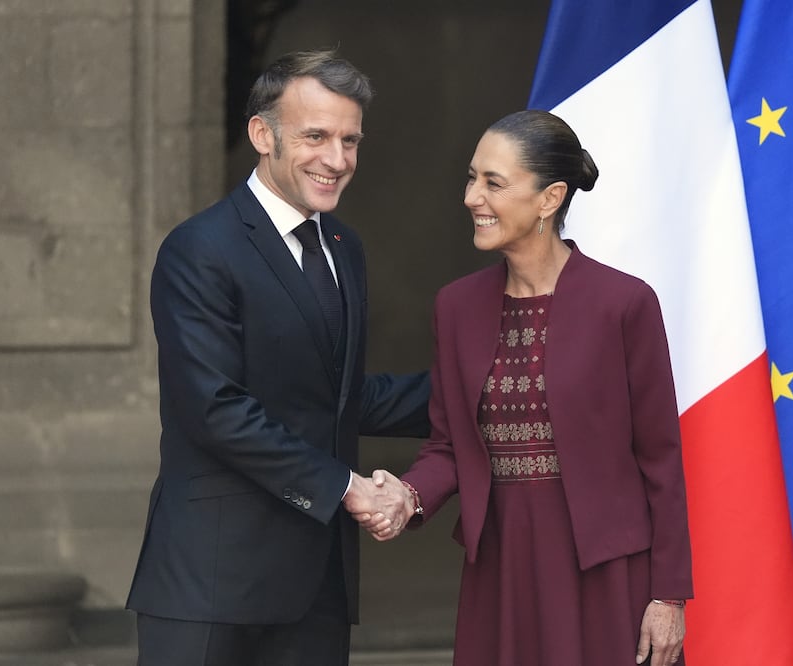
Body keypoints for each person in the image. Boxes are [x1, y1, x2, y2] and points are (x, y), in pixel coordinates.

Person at [126, 49, 429, 666]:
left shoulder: (344, 248)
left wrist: (495, 389)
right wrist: (347, 488)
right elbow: (214, 409)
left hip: (317, 586)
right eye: (315, 136)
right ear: (263, 134)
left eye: (351, 140)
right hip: (210, 583)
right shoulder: (199, 249)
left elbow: (335, 395)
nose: (337, 160)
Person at [362, 110, 692, 666]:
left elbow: (661, 459)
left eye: (493, 182)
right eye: (471, 178)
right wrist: (407, 496)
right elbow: (448, 445)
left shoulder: (625, 303)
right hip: (502, 567)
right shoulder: (455, 307)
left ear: (549, 198)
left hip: (607, 573)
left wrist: (668, 596)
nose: (472, 196)